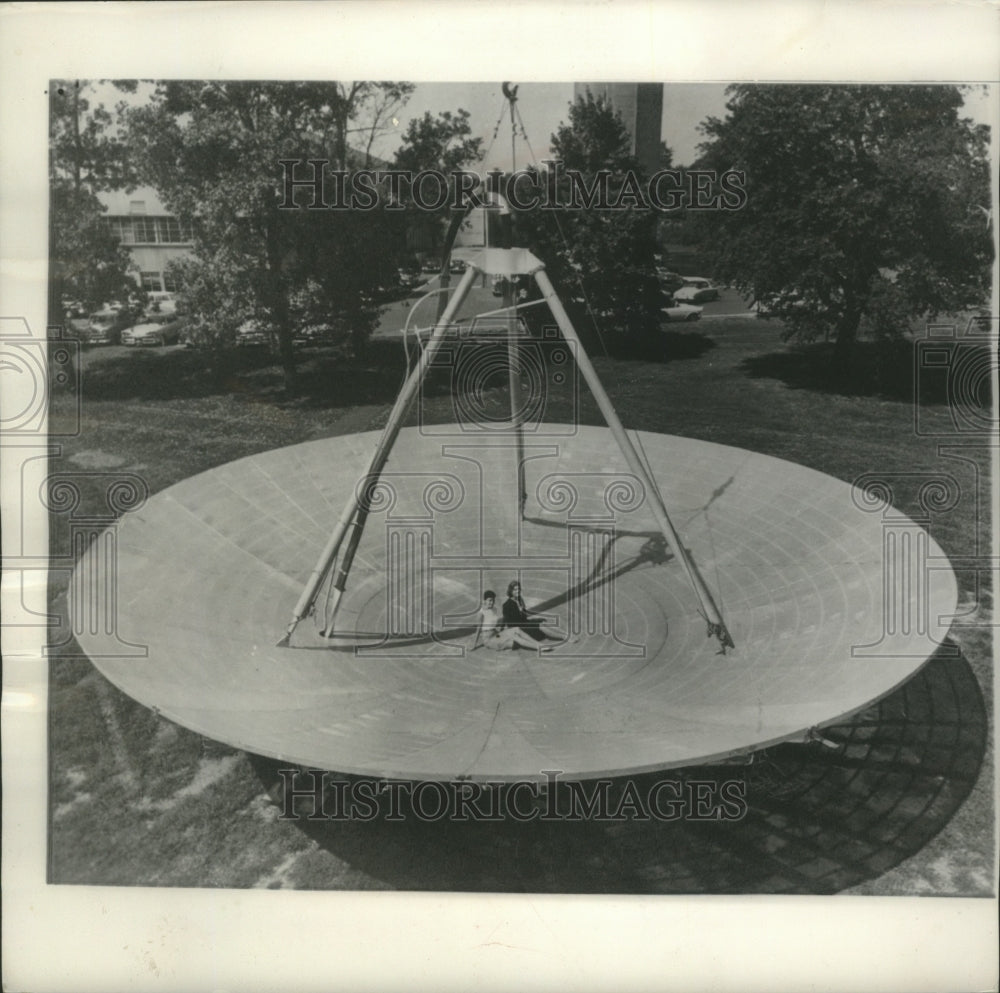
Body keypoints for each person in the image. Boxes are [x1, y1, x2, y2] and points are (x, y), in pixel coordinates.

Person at [471, 590, 552, 654]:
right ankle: (538, 647)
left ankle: (539, 644)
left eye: (493, 600)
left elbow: (501, 620)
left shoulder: (494, 609)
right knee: (515, 637)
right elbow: (478, 629)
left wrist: (503, 631)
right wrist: (474, 644)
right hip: (488, 640)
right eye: (489, 600)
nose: (491, 602)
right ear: (484, 600)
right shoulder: (481, 613)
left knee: (516, 629)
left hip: (496, 634)